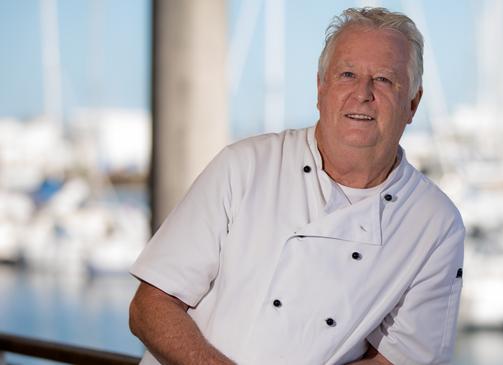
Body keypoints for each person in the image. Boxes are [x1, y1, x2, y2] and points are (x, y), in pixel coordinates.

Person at [129, 7, 464, 365]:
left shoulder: (435, 223)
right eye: (347, 74)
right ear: (320, 89)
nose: (362, 93)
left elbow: (402, 360)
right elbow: (149, 308)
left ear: (412, 103)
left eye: (383, 79)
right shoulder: (244, 166)